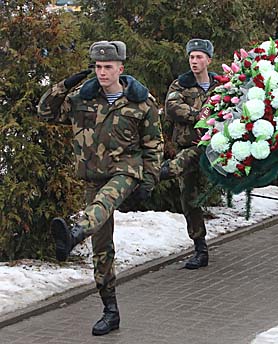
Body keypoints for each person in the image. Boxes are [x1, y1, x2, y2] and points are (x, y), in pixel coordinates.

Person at [38, 41, 164, 335]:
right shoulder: (82, 98)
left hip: (125, 172)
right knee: (102, 248)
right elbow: (45, 111)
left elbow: (153, 145)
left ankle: (75, 232)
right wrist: (66, 84)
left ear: (121, 68)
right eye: (98, 66)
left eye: (108, 67)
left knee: (104, 203)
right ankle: (110, 310)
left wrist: (149, 181)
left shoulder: (142, 102)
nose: (103, 72)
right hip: (93, 177)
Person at [164, 38, 218, 269]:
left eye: (199, 57)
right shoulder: (181, 85)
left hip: (217, 148)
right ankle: (200, 248)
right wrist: (201, 115)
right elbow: (172, 107)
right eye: (191, 57)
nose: (194, 61)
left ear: (208, 60)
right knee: (189, 198)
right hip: (189, 146)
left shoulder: (223, 84)